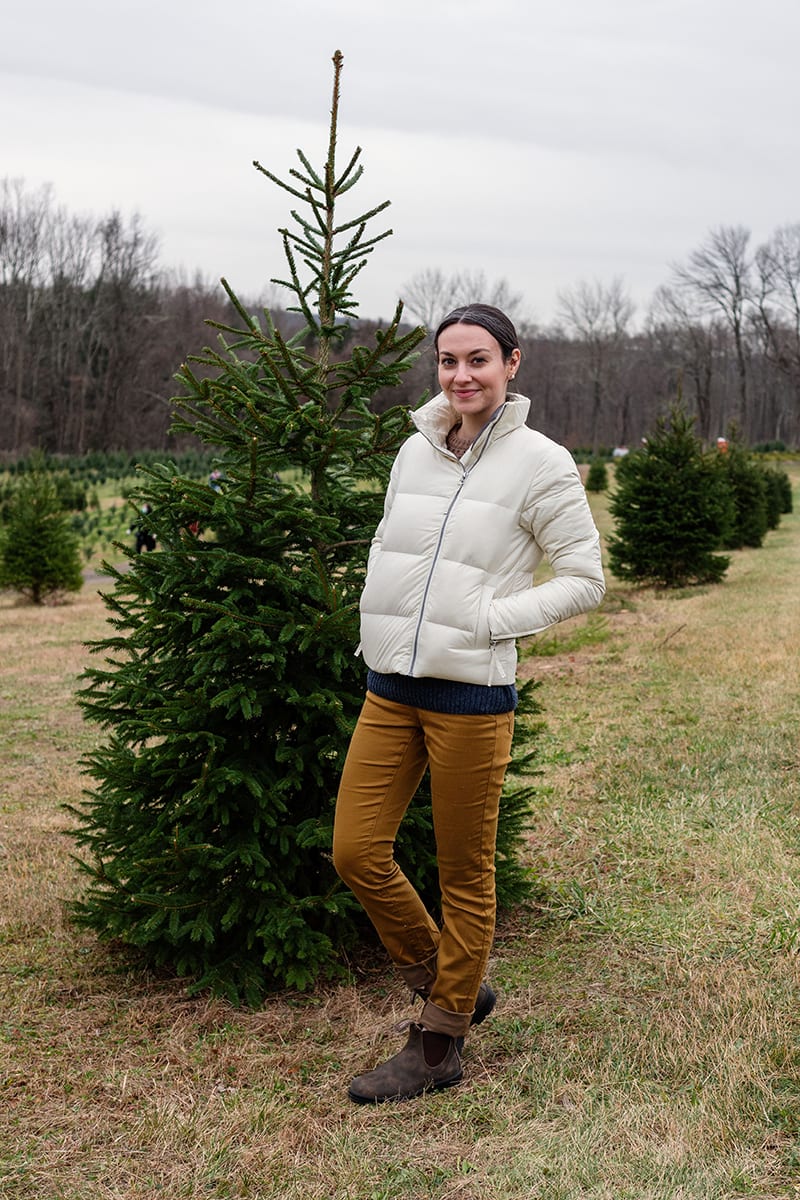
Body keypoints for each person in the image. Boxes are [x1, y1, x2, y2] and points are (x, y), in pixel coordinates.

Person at [333, 303, 606, 1104]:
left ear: (512, 364)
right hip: (390, 687)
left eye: (478, 360)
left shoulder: (542, 463)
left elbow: (584, 578)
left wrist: (491, 621)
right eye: (449, 361)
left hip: (470, 697)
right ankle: (452, 984)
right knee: (355, 850)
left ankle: (440, 1043)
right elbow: (394, 547)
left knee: (465, 874)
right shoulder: (413, 452)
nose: (462, 376)